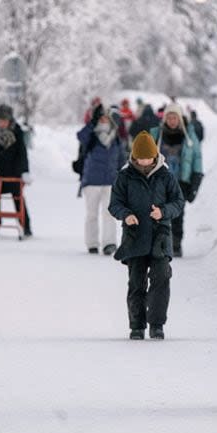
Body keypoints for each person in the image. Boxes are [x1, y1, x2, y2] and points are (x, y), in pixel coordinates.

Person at [109, 131, 184, 340]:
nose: (144, 162)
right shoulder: (124, 176)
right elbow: (114, 204)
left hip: (160, 236)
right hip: (135, 237)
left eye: (148, 157)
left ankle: (157, 325)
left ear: (155, 155)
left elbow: (178, 202)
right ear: (133, 157)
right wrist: (126, 215)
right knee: (136, 283)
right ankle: (137, 326)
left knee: (161, 279)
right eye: (140, 158)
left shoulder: (166, 175)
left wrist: (163, 212)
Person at [150, 103, 203, 257]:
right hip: (159, 181)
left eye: (175, 117)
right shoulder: (156, 135)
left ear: (180, 118)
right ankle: (160, 243)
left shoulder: (189, 136)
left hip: (180, 182)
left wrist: (195, 181)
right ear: (165, 118)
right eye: (169, 117)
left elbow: (197, 158)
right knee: (158, 213)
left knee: (177, 214)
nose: (172, 120)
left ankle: (176, 243)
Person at [77, 103, 126, 255]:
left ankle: (109, 243)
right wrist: (91, 123)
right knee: (92, 214)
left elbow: (121, 159)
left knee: (109, 213)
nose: (104, 120)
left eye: (107, 117)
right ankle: (92, 243)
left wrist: (118, 174)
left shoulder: (115, 137)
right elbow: (80, 136)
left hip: (110, 181)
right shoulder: (90, 135)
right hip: (91, 181)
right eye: (101, 117)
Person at [0, 104, 33, 237]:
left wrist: (24, 171)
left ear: (10, 120)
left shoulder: (17, 130)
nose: (2, 123)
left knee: (18, 197)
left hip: (13, 171)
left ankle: (25, 225)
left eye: (5, 120)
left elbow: (22, 152)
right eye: (0, 120)